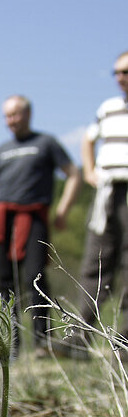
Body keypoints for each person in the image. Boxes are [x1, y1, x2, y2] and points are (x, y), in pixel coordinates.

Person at [0, 95, 81, 356]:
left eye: (15, 114)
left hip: (34, 217)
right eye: (7, 116)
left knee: (35, 278)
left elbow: (74, 174)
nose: (11, 121)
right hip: (3, 219)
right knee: (5, 282)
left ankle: (43, 342)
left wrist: (63, 209)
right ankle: (9, 345)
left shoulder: (46, 143)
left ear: (28, 114)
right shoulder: (2, 150)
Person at [76, 51, 128, 344]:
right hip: (107, 191)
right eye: (117, 72)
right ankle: (79, 338)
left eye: (126, 72)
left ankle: (125, 343)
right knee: (96, 261)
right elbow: (89, 137)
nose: (121, 77)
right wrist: (89, 170)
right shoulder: (108, 108)